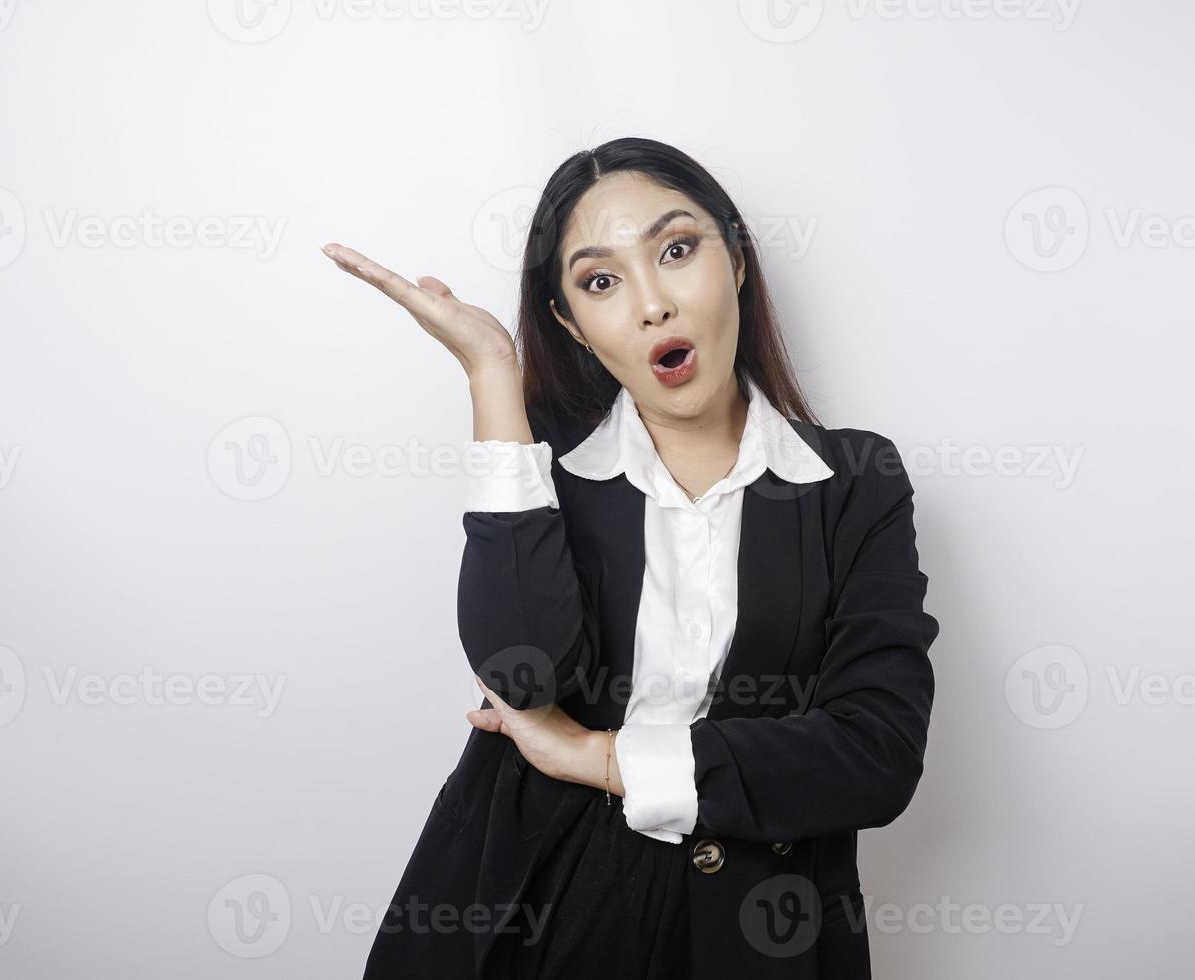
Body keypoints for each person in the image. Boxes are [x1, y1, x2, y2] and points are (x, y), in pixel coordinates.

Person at [323, 136, 940, 979]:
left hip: (760, 928)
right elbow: (527, 673)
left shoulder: (855, 481)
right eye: (600, 281)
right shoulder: (546, 469)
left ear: (738, 262)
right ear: (571, 325)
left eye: (677, 250)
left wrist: (592, 755)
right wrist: (492, 374)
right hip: (532, 906)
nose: (653, 304)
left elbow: (875, 757)